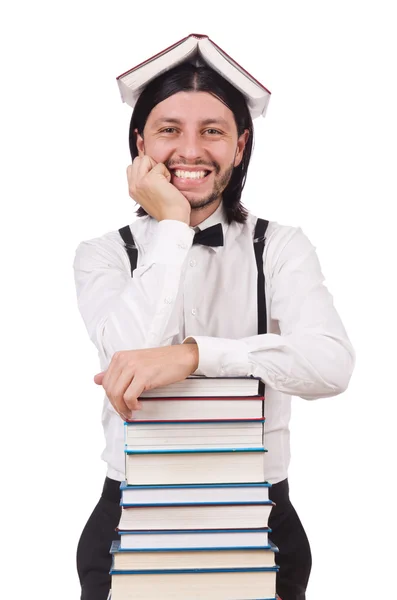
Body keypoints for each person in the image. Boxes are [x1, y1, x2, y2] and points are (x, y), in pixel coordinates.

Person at [73, 57, 355, 600]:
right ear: (140, 145)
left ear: (240, 146)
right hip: (130, 513)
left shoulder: (280, 247)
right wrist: (174, 226)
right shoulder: (102, 255)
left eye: (212, 131)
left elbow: (331, 364)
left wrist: (195, 356)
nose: (191, 150)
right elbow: (126, 355)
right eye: (168, 130)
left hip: (263, 515)